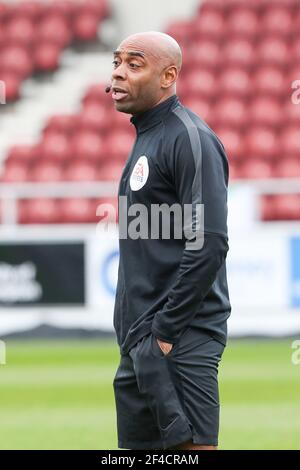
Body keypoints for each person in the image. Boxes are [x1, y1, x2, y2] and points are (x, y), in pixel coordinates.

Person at [109, 31, 231, 450]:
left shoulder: (190, 138)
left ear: (168, 76)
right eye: (116, 62)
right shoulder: (146, 137)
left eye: (134, 64)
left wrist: (164, 334)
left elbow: (210, 242)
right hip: (140, 344)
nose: (118, 74)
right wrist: (139, 339)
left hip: (179, 339)